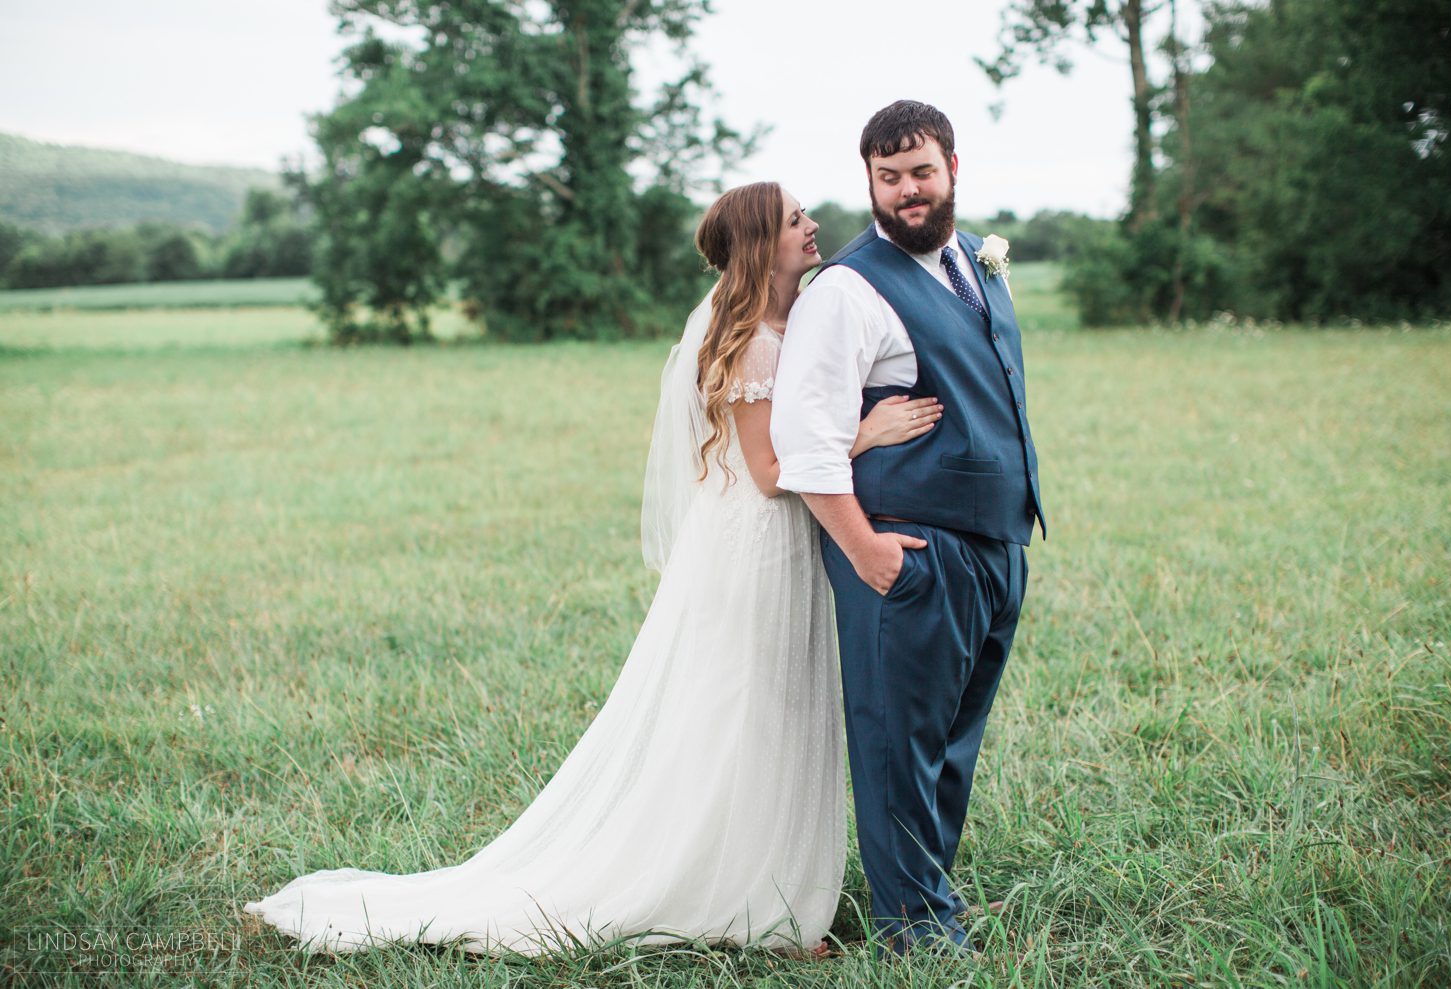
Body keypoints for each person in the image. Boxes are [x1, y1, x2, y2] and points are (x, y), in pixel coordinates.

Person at [243, 181, 942, 958]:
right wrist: (866, 434)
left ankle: (770, 894)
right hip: (758, 552)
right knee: (746, 721)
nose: (813, 227)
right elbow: (771, 472)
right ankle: (748, 909)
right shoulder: (749, 339)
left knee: (781, 714)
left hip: (780, 548)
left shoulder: (795, 319)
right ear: (758, 246)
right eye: (793, 221)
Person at [771, 100, 1047, 956]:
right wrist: (868, 553)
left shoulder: (976, 263)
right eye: (887, 178)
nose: (906, 192)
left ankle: (931, 895)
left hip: (996, 546)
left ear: (952, 167)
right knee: (899, 744)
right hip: (907, 550)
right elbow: (804, 441)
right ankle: (914, 932)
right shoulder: (847, 289)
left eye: (920, 172)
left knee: (949, 745)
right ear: (870, 183)